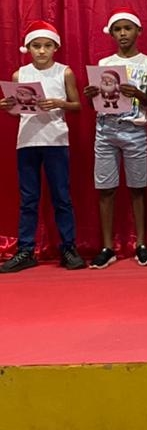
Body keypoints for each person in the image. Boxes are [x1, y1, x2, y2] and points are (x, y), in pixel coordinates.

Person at [0, 20, 85, 272]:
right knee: (28, 199)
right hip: (27, 142)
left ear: (55, 47)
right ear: (28, 48)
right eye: (36, 46)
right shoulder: (20, 75)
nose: (41, 50)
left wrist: (60, 103)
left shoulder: (64, 72)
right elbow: (18, 111)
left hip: (56, 140)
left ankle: (68, 247)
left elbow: (77, 105)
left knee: (61, 196)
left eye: (47, 46)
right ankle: (26, 249)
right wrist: (7, 106)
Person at [86, 8, 147, 268]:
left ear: (139, 31)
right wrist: (91, 94)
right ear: (112, 33)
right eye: (117, 29)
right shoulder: (104, 63)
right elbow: (98, 101)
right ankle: (107, 246)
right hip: (106, 129)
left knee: (138, 187)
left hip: (134, 130)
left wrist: (137, 93)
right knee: (106, 188)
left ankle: (142, 244)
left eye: (128, 28)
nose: (123, 33)